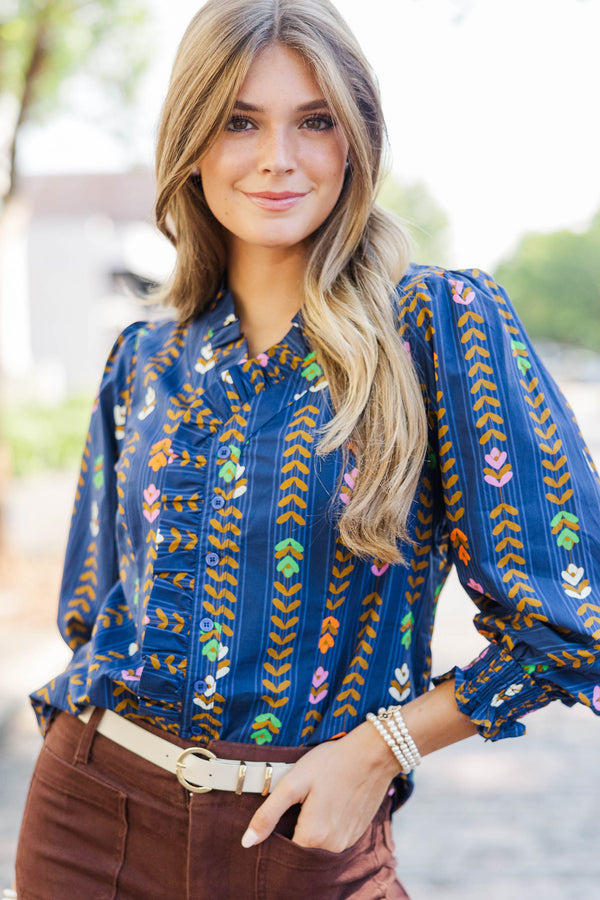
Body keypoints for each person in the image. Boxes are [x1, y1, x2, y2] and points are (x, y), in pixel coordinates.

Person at [14, 0, 600, 897]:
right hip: (91, 824)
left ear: (357, 141)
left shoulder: (440, 323)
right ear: (192, 142)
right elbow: (96, 612)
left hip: (303, 835)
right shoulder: (143, 358)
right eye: (239, 121)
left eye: (315, 120)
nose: (277, 157)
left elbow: (572, 619)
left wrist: (380, 750)